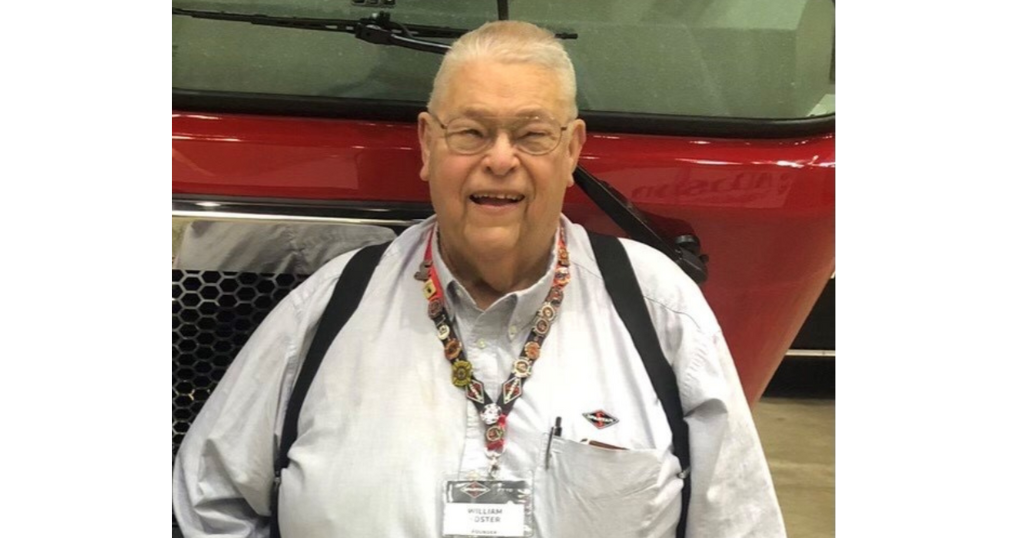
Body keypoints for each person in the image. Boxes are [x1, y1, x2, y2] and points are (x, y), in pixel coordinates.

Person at [173, 20, 786, 538]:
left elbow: (739, 523)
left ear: (572, 150)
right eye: (470, 132)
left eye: (531, 134)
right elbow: (206, 501)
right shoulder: (330, 305)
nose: (499, 158)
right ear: (427, 145)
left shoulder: (661, 312)